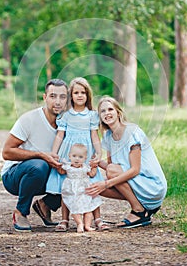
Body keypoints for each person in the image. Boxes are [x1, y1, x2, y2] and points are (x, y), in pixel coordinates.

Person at [86, 96, 167, 228]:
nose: (107, 113)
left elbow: (135, 169)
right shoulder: (108, 136)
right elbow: (112, 167)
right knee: (95, 186)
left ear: (118, 112)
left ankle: (139, 212)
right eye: (103, 111)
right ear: (99, 117)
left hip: (152, 185)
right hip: (138, 183)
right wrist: (96, 162)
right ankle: (142, 206)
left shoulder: (132, 132)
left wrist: (106, 183)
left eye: (110, 109)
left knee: (110, 174)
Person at [1, 79, 68, 232]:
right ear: (45, 98)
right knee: (39, 165)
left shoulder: (68, 122)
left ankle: (45, 204)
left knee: (77, 168)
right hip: (16, 176)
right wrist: (41, 155)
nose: (57, 101)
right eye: (53, 96)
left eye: (62, 97)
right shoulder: (29, 119)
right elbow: (7, 152)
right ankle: (21, 212)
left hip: (48, 175)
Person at [46, 77, 108, 232]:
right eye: (76, 93)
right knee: (67, 187)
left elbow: (94, 135)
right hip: (68, 153)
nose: (80, 96)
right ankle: (64, 219)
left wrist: (99, 152)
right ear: (71, 96)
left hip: (85, 152)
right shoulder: (66, 115)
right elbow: (60, 135)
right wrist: (54, 153)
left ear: (87, 95)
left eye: (83, 92)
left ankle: (97, 219)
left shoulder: (92, 115)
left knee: (90, 185)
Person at [59, 143, 103, 233]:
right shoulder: (68, 167)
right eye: (74, 156)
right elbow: (61, 171)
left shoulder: (85, 167)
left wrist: (94, 167)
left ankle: (87, 225)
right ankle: (79, 223)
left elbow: (91, 174)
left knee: (88, 208)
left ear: (85, 158)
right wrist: (56, 166)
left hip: (84, 190)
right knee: (75, 208)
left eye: (80, 157)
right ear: (69, 156)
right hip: (72, 190)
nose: (77, 159)